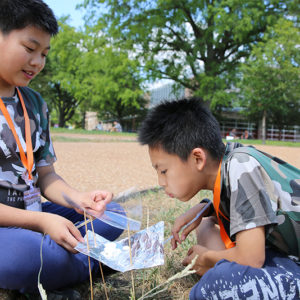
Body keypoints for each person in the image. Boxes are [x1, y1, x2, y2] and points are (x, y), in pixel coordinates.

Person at [0, 1, 124, 299]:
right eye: (29, 49)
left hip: (34, 213)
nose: (37, 62)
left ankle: (56, 268)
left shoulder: (35, 104)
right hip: (16, 225)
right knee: (21, 259)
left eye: (44, 54)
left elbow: (46, 176)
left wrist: (80, 200)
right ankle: (99, 260)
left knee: (112, 215)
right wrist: (42, 221)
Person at [138, 98, 300, 299]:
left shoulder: (241, 165)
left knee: (214, 287)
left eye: (163, 171)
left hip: (290, 261)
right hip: (280, 254)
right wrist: (204, 209)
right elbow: (251, 203)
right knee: (205, 226)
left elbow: (252, 259)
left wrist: (206, 258)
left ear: (198, 158)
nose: (161, 182)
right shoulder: (231, 161)